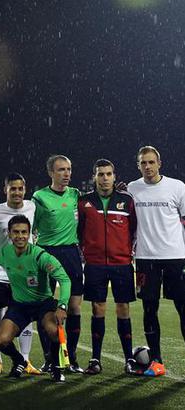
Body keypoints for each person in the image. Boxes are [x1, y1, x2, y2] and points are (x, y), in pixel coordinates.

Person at [127, 146, 185, 377]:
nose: (148, 167)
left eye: (151, 162)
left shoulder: (177, 187)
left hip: (176, 257)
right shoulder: (132, 189)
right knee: (149, 309)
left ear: (159, 163)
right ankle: (157, 362)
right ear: (138, 165)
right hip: (145, 259)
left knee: (183, 309)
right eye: (143, 163)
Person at [0, 215, 72, 383]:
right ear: (9, 234)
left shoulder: (40, 256)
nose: (20, 236)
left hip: (43, 304)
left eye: (24, 232)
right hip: (19, 306)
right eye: (16, 232)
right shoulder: (4, 253)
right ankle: (19, 361)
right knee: (1, 341)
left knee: (54, 331)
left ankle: (55, 367)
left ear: (30, 234)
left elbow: (64, 279)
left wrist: (62, 306)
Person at [77, 159, 136, 374]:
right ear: (94, 176)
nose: (104, 178)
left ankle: (129, 359)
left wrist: (124, 251)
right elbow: (80, 231)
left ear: (114, 176)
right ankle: (95, 359)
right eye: (100, 174)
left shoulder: (127, 201)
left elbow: (133, 230)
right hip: (95, 264)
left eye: (108, 174)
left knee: (123, 309)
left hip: (122, 264)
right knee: (97, 309)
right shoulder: (84, 202)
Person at [0, 173, 39, 375]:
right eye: (12, 188)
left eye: (20, 188)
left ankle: (25, 360)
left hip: (24, 275)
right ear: (5, 189)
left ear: (25, 190)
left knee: (25, 319)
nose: (16, 192)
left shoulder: (32, 207)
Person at [32, 154, 84, 372]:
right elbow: (29, 225)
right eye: (61, 170)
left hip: (71, 253)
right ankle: (49, 358)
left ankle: (71, 358)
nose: (66, 174)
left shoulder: (75, 194)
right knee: (46, 309)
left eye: (69, 169)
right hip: (47, 253)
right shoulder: (39, 197)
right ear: (51, 173)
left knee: (73, 308)